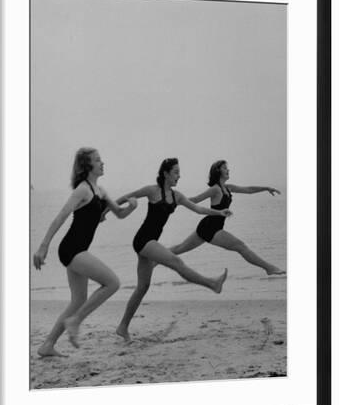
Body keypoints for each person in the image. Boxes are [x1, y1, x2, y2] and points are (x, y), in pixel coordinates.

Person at [113, 158, 232, 342]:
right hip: (143, 240)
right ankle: (212, 284)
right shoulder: (152, 190)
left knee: (142, 287)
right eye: (176, 172)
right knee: (176, 262)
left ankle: (122, 327)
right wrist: (105, 213)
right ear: (166, 173)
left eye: (179, 172)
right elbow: (125, 197)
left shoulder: (177, 197)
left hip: (150, 243)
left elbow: (199, 209)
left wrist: (219, 212)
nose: (179, 176)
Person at [33, 147, 137, 355]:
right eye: (98, 160)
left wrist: (131, 207)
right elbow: (61, 217)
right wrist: (43, 246)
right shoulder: (83, 189)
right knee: (112, 283)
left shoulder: (101, 191)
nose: (102, 163)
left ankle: (47, 345)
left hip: (78, 249)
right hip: (72, 249)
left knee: (78, 300)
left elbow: (119, 213)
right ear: (88, 166)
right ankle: (76, 321)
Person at [170, 160, 286, 275]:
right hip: (211, 228)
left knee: (179, 249)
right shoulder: (215, 189)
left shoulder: (227, 188)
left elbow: (248, 190)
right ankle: (269, 268)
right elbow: (196, 199)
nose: (228, 170)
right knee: (240, 246)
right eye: (225, 168)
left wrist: (265, 188)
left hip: (208, 226)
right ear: (218, 171)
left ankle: (155, 257)